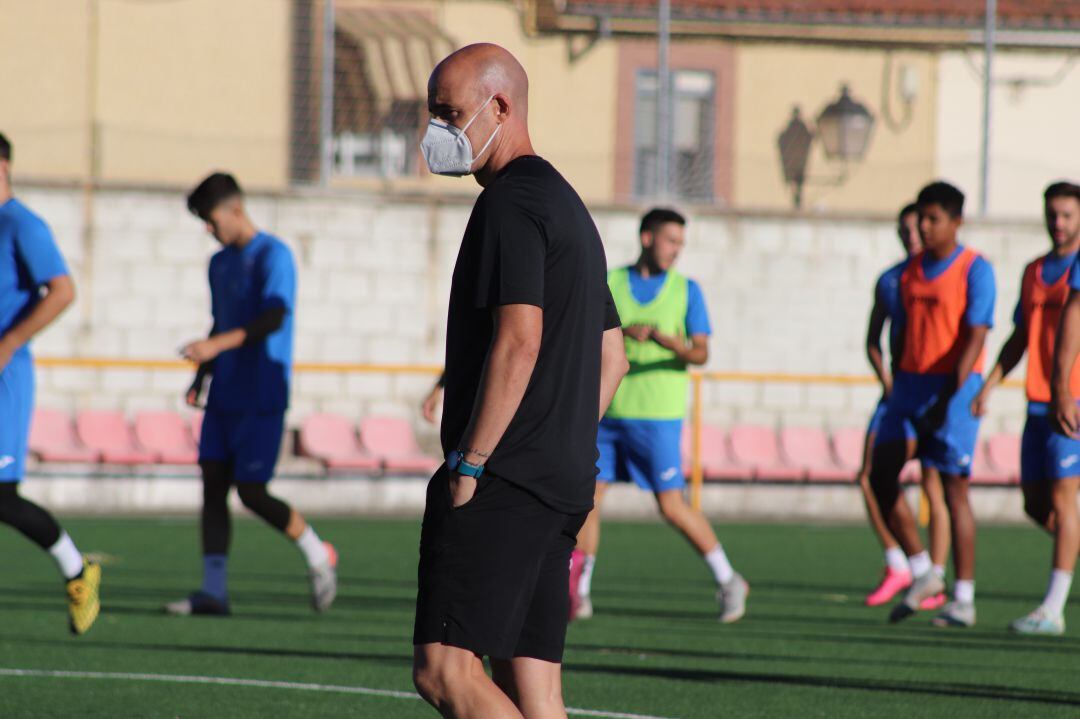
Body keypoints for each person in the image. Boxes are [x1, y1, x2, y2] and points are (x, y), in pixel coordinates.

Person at [411, 44, 628, 719]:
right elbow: (613, 353)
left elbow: (520, 339)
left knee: (445, 669)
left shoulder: (509, 205)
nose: (438, 133)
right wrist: (558, 438)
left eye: (450, 114)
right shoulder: (568, 206)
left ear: (499, 106)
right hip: (561, 479)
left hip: (505, 478)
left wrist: (471, 461)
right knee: (534, 689)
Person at [166, 172, 337, 617]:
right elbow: (221, 324)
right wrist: (203, 373)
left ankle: (319, 554)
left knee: (252, 492)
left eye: (210, 218)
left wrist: (215, 348)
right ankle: (213, 590)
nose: (208, 228)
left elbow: (274, 318)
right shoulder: (218, 264)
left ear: (235, 209)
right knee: (212, 487)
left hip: (262, 393)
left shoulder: (273, 255)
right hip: (224, 394)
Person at [568, 208, 747, 624]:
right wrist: (622, 333)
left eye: (680, 244)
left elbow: (701, 353)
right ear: (647, 238)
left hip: (657, 417)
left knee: (671, 506)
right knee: (587, 502)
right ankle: (580, 591)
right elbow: (582, 334)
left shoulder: (687, 290)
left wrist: (672, 344)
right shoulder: (610, 281)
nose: (676, 251)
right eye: (670, 241)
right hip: (606, 413)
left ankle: (728, 579)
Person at [871, 181, 995, 628]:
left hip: (953, 391)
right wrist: (897, 379)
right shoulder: (907, 273)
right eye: (920, 218)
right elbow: (898, 332)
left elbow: (975, 336)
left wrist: (949, 398)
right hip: (909, 387)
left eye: (933, 219)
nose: (923, 227)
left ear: (955, 222)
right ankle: (923, 570)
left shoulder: (975, 269)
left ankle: (963, 597)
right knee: (879, 476)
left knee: (954, 492)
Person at [0, 132, 100, 635]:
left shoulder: (22, 225)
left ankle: (78, 571)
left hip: (5, 380)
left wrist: (9, 342)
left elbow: (62, 291)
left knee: (2, 498)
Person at [978, 181, 1080, 635]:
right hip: (1038, 399)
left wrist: (1063, 390)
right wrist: (990, 383)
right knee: (1035, 504)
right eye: (1052, 214)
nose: (1058, 223)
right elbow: (1021, 335)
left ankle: (1052, 609)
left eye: (1067, 215)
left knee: (1064, 499)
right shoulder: (1034, 270)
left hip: (1071, 398)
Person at [860, 204, 948, 610]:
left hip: (933, 393)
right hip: (897, 393)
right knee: (870, 476)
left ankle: (939, 578)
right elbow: (872, 339)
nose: (911, 235)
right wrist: (887, 379)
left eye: (917, 227)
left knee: (936, 482)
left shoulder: (943, 276)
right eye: (905, 230)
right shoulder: (892, 281)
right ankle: (902, 563)